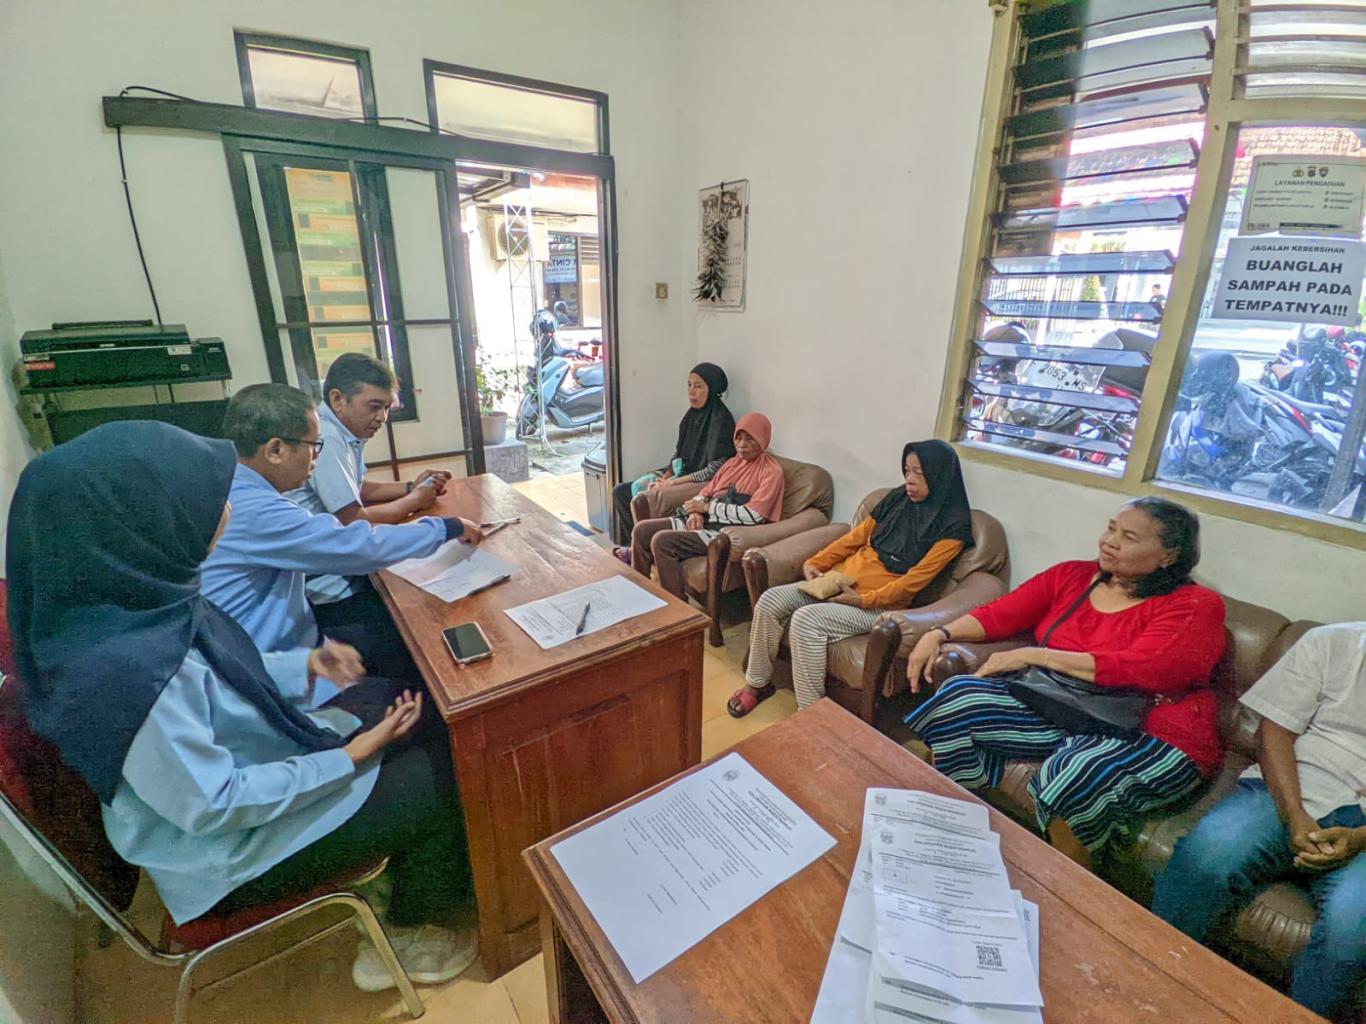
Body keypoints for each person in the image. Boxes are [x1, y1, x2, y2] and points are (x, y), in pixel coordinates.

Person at [6, 421, 477, 993]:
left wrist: (302, 666)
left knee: (401, 706)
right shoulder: (124, 674)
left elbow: (216, 678)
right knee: (440, 775)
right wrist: (349, 757)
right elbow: (214, 805)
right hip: (225, 853)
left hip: (243, 764)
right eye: (204, 500)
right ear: (140, 520)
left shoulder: (135, 601)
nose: (226, 508)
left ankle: (396, 864)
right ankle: (407, 935)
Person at [902, 497, 1226, 869]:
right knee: (958, 698)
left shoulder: (1195, 605)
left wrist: (1035, 655)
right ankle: (956, 835)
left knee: (1071, 775)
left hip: (1148, 729)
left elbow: (1146, 667)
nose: (1110, 541)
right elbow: (1000, 614)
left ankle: (1067, 890)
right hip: (1065, 706)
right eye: (1111, 529)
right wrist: (938, 633)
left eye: (1130, 537)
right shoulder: (1073, 576)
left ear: (1169, 555)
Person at [1151, 623, 1365, 1019]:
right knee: (1206, 856)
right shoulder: (1332, 643)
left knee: (1353, 928)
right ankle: (1151, 982)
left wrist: (1359, 838)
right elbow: (1274, 731)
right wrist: (1294, 813)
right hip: (1295, 787)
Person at [203, 384, 479, 685]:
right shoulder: (257, 508)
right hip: (268, 668)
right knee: (422, 657)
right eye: (313, 446)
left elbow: (356, 496)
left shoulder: (231, 485)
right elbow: (358, 544)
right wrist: (445, 527)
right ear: (275, 450)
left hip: (275, 645)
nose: (316, 457)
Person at [729, 441, 974, 717]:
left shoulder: (953, 525)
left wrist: (863, 599)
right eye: (907, 470)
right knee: (770, 600)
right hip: (839, 582)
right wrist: (816, 562)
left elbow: (915, 581)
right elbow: (855, 537)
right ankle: (757, 683)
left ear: (939, 475)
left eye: (919, 472)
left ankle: (810, 714)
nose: (909, 479)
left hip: (880, 605)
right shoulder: (897, 499)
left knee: (806, 620)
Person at [289, 353, 455, 632]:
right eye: (374, 407)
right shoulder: (328, 436)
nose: (382, 418)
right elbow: (352, 519)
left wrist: (410, 487)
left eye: (387, 408)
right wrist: (413, 500)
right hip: (328, 588)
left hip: (336, 566)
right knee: (421, 615)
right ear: (338, 399)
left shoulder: (341, 431)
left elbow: (355, 489)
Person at [630, 412, 784, 598]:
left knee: (662, 541)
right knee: (641, 531)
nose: (742, 444)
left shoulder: (771, 472)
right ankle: (640, 594)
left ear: (762, 439)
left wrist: (707, 508)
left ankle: (679, 608)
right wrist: (696, 512)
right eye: (738, 438)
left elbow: (754, 515)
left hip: (723, 531)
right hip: (704, 520)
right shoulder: (732, 463)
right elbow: (706, 491)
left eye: (749, 439)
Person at [610, 362, 737, 548]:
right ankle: (631, 548)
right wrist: (666, 476)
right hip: (680, 476)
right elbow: (679, 454)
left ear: (712, 389)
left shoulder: (722, 421)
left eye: (698, 386)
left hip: (700, 484)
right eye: (689, 385)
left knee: (645, 498)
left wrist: (671, 483)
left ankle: (641, 549)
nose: (691, 392)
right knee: (621, 492)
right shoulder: (691, 415)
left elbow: (712, 471)